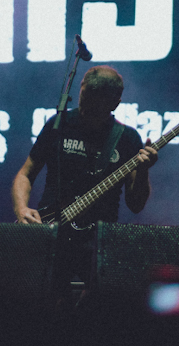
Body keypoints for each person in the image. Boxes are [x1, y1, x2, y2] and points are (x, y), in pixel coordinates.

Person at [12, 65, 157, 294]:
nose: (86, 113)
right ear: (81, 89)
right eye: (84, 101)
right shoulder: (58, 125)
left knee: (99, 312)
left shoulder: (127, 138)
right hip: (49, 231)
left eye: (95, 109)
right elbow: (25, 174)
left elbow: (136, 204)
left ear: (115, 103)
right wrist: (21, 208)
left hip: (98, 242)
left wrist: (144, 171)